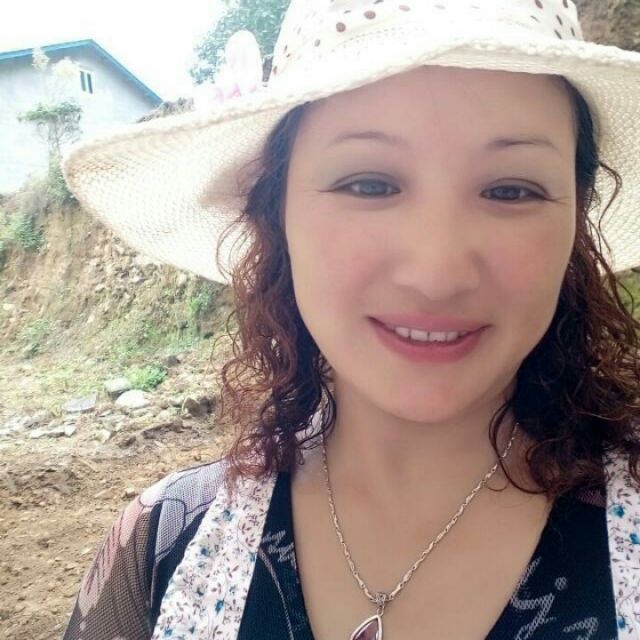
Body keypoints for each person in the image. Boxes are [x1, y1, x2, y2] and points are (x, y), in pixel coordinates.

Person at [60, 1, 640, 638]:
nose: (437, 273)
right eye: (369, 184)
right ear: (274, 211)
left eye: (511, 190)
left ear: (576, 220)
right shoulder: (162, 550)